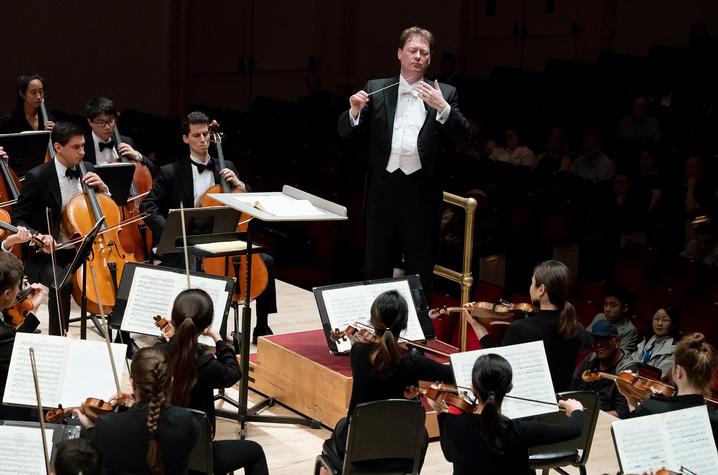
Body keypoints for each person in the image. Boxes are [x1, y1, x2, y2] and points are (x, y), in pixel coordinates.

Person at [337, 26, 470, 296]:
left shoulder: (445, 91)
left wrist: (442, 107)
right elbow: (344, 131)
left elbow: (465, 135)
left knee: (419, 264)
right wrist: (353, 111)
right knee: (377, 261)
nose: (418, 56)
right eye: (412, 50)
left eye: (424, 52)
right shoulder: (377, 88)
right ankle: (373, 325)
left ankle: (416, 329)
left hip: (421, 190)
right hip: (383, 188)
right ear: (399, 54)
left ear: (430, 59)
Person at [141, 111, 277, 341]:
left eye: (206, 134)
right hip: (187, 243)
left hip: (224, 239)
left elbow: (248, 206)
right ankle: (202, 330)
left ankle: (262, 325)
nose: (203, 139)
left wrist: (240, 184)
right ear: (186, 138)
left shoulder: (227, 166)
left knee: (267, 262)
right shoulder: (171, 171)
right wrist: (172, 233)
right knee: (198, 264)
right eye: (196, 135)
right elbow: (147, 206)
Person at [321, 290, 454, 471]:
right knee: (420, 434)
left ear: (373, 321)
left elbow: (371, 353)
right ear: (405, 324)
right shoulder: (414, 362)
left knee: (343, 424)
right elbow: (449, 374)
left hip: (359, 450)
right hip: (400, 452)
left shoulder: (358, 353)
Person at [12, 121, 110, 336]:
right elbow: (19, 218)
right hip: (46, 256)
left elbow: (105, 214)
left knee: (116, 274)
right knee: (62, 283)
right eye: (76, 147)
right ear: (58, 147)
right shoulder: (38, 176)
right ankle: (58, 339)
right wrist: (38, 236)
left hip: (83, 251)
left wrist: (104, 191)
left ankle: (123, 337)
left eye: (83, 146)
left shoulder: (89, 170)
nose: (82, 152)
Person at [160, 288, 269, 475]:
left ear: (173, 320)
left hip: (160, 454)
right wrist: (218, 339)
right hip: (199, 457)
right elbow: (234, 373)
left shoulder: (154, 355)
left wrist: (167, 341)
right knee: (254, 451)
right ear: (205, 327)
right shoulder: (206, 365)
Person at [437, 353, 584, 475]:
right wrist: (576, 409)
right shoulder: (521, 430)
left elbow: (450, 455)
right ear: (509, 388)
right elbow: (574, 429)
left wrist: (440, 412)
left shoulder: (455, 422)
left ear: (473, 388)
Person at [465, 260, 586, 391]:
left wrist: (477, 327)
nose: (530, 287)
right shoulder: (576, 328)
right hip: (562, 407)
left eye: (532, 283)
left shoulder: (521, 328)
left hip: (526, 406)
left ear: (541, 290)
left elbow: (498, 367)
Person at [77, 346, 200, 475]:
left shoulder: (106, 426)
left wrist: (90, 429)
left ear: (133, 384)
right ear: (171, 382)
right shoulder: (187, 422)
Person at [627, 332, 717, 443]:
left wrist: (631, 401)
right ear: (709, 377)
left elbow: (632, 437)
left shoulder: (651, 408)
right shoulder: (714, 419)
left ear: (678, 372)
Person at [0, 252, 45, 420]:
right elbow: (14, 346)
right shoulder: (4, 336)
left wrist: (32, 311)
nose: (21, 291)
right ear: (7, 294)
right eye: (19, 286)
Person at [572, 320, 630, 418]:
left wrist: (589, 417)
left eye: (603, 340)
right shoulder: (591, 358)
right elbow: (574, 386)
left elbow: (622, 413)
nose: (598, 345)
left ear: (616, 341)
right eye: (595, 339)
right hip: (579, 411)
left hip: (602, 419)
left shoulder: (627, 370)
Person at [83, 96, 156, 173]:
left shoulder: (126, 141)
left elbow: (155, 171)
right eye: (101, 122)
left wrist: (138, 156)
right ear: (90, 122)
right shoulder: (82, 146)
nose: (107, 127)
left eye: (110, 121)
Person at [619, 306, 679, 378]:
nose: (660, 323)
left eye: (665, 320)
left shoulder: (673, 350)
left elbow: (660, 377)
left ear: (673, 325)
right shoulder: (647, 341)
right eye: (656, 319)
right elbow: (629, 362)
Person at [585, 282, 641, 353]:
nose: (607, 309)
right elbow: (586, 339)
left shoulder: (630, 331)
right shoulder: (600, 317)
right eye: (605, 304)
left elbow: (621, 357)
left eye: (613, 305)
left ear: (625, 308)